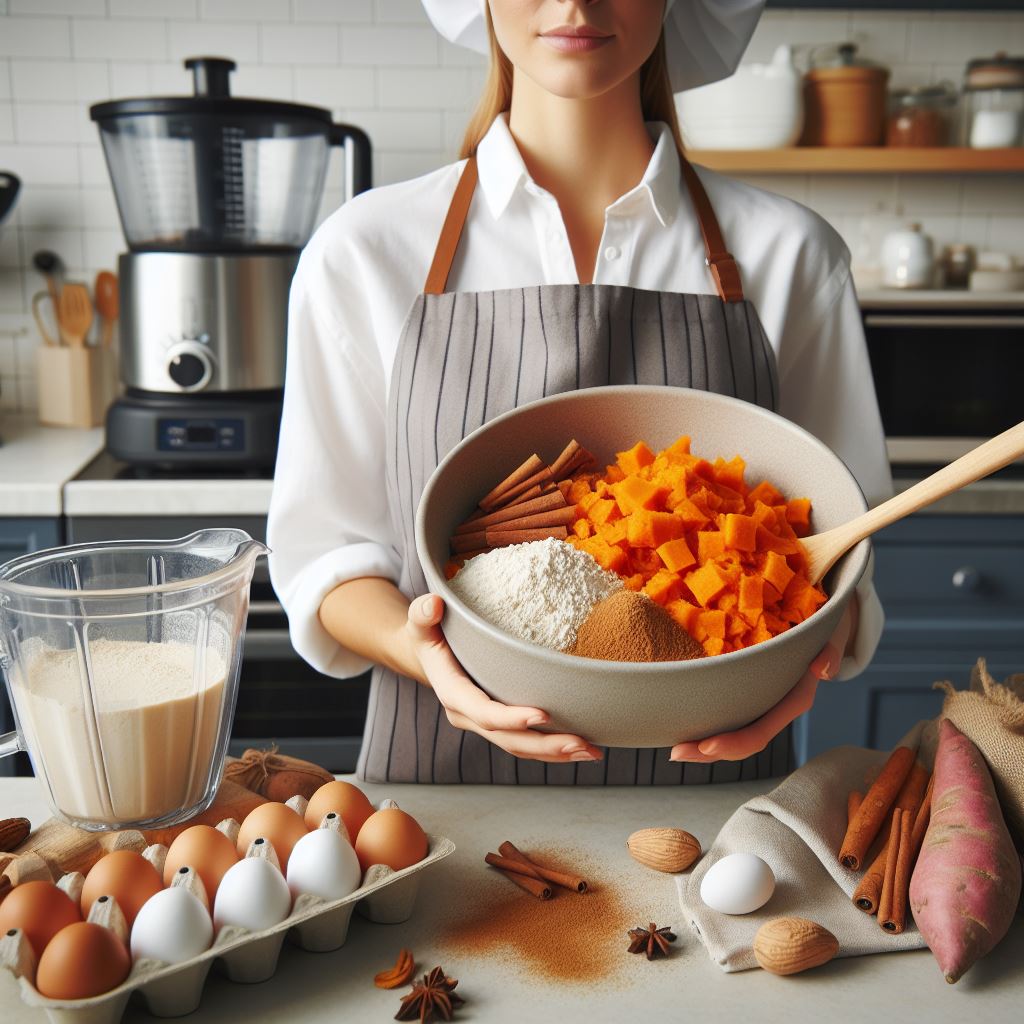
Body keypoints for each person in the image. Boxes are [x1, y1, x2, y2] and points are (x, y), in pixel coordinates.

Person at [267, 0, 892, 786]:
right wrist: (429, 658)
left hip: (714, 800)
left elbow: (846, 551)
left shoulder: (791, 254)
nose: (575, 2)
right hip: (448, 795)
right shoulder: (363, 253)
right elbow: (325, 558)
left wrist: (802, 671)